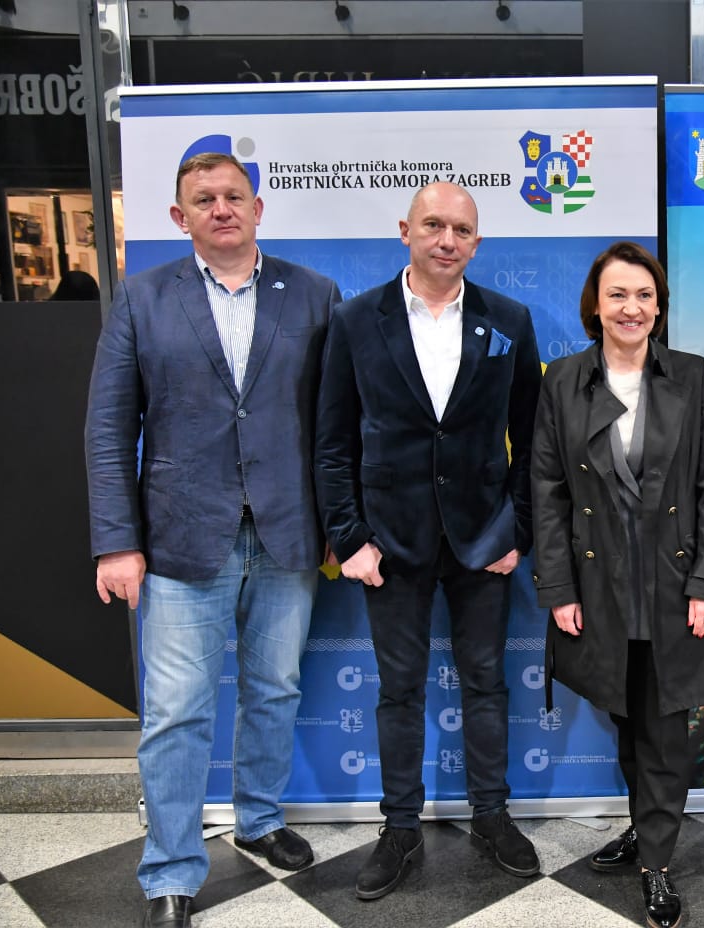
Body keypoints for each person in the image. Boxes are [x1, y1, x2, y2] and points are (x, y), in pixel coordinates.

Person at [85, 152, 340, 928]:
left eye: (234, 196)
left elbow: (337, 426)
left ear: (258, 208)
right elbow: (108, 428)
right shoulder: (142, 298)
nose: (221, 208)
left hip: (288, 534)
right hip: (179, 540)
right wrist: (116, 542)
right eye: (204, 200)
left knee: (275, 689)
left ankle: (259, 818)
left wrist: (342, 526)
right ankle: (170, 869)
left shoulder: (315, 294)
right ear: (180, 217)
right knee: (175, 712)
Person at [314, 182, 543, 900]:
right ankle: (400, 828)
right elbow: (332, 442)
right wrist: (350, 537)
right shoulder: (356, 320)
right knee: (399, 690)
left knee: (486, 682)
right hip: (389, 542)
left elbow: (533, 440)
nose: (448, 240)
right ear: (405, 231)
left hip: (484, 540)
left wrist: (517, 531)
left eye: (462, 230)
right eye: (434, 225)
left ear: (478, 242)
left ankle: (492, 816)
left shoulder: (509, 319)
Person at [530, 241, 704, 928]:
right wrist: (559, 589)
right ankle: (646, 825)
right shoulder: (563, 381)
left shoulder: (690, 375)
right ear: (595, 305)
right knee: (625, 712)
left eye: (644, 295)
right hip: (600, 585)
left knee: (664, 726)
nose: (632, 307)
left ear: (659, 306)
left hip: (675, 585)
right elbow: (547, 491)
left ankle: (657, 861)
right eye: (618, 294)